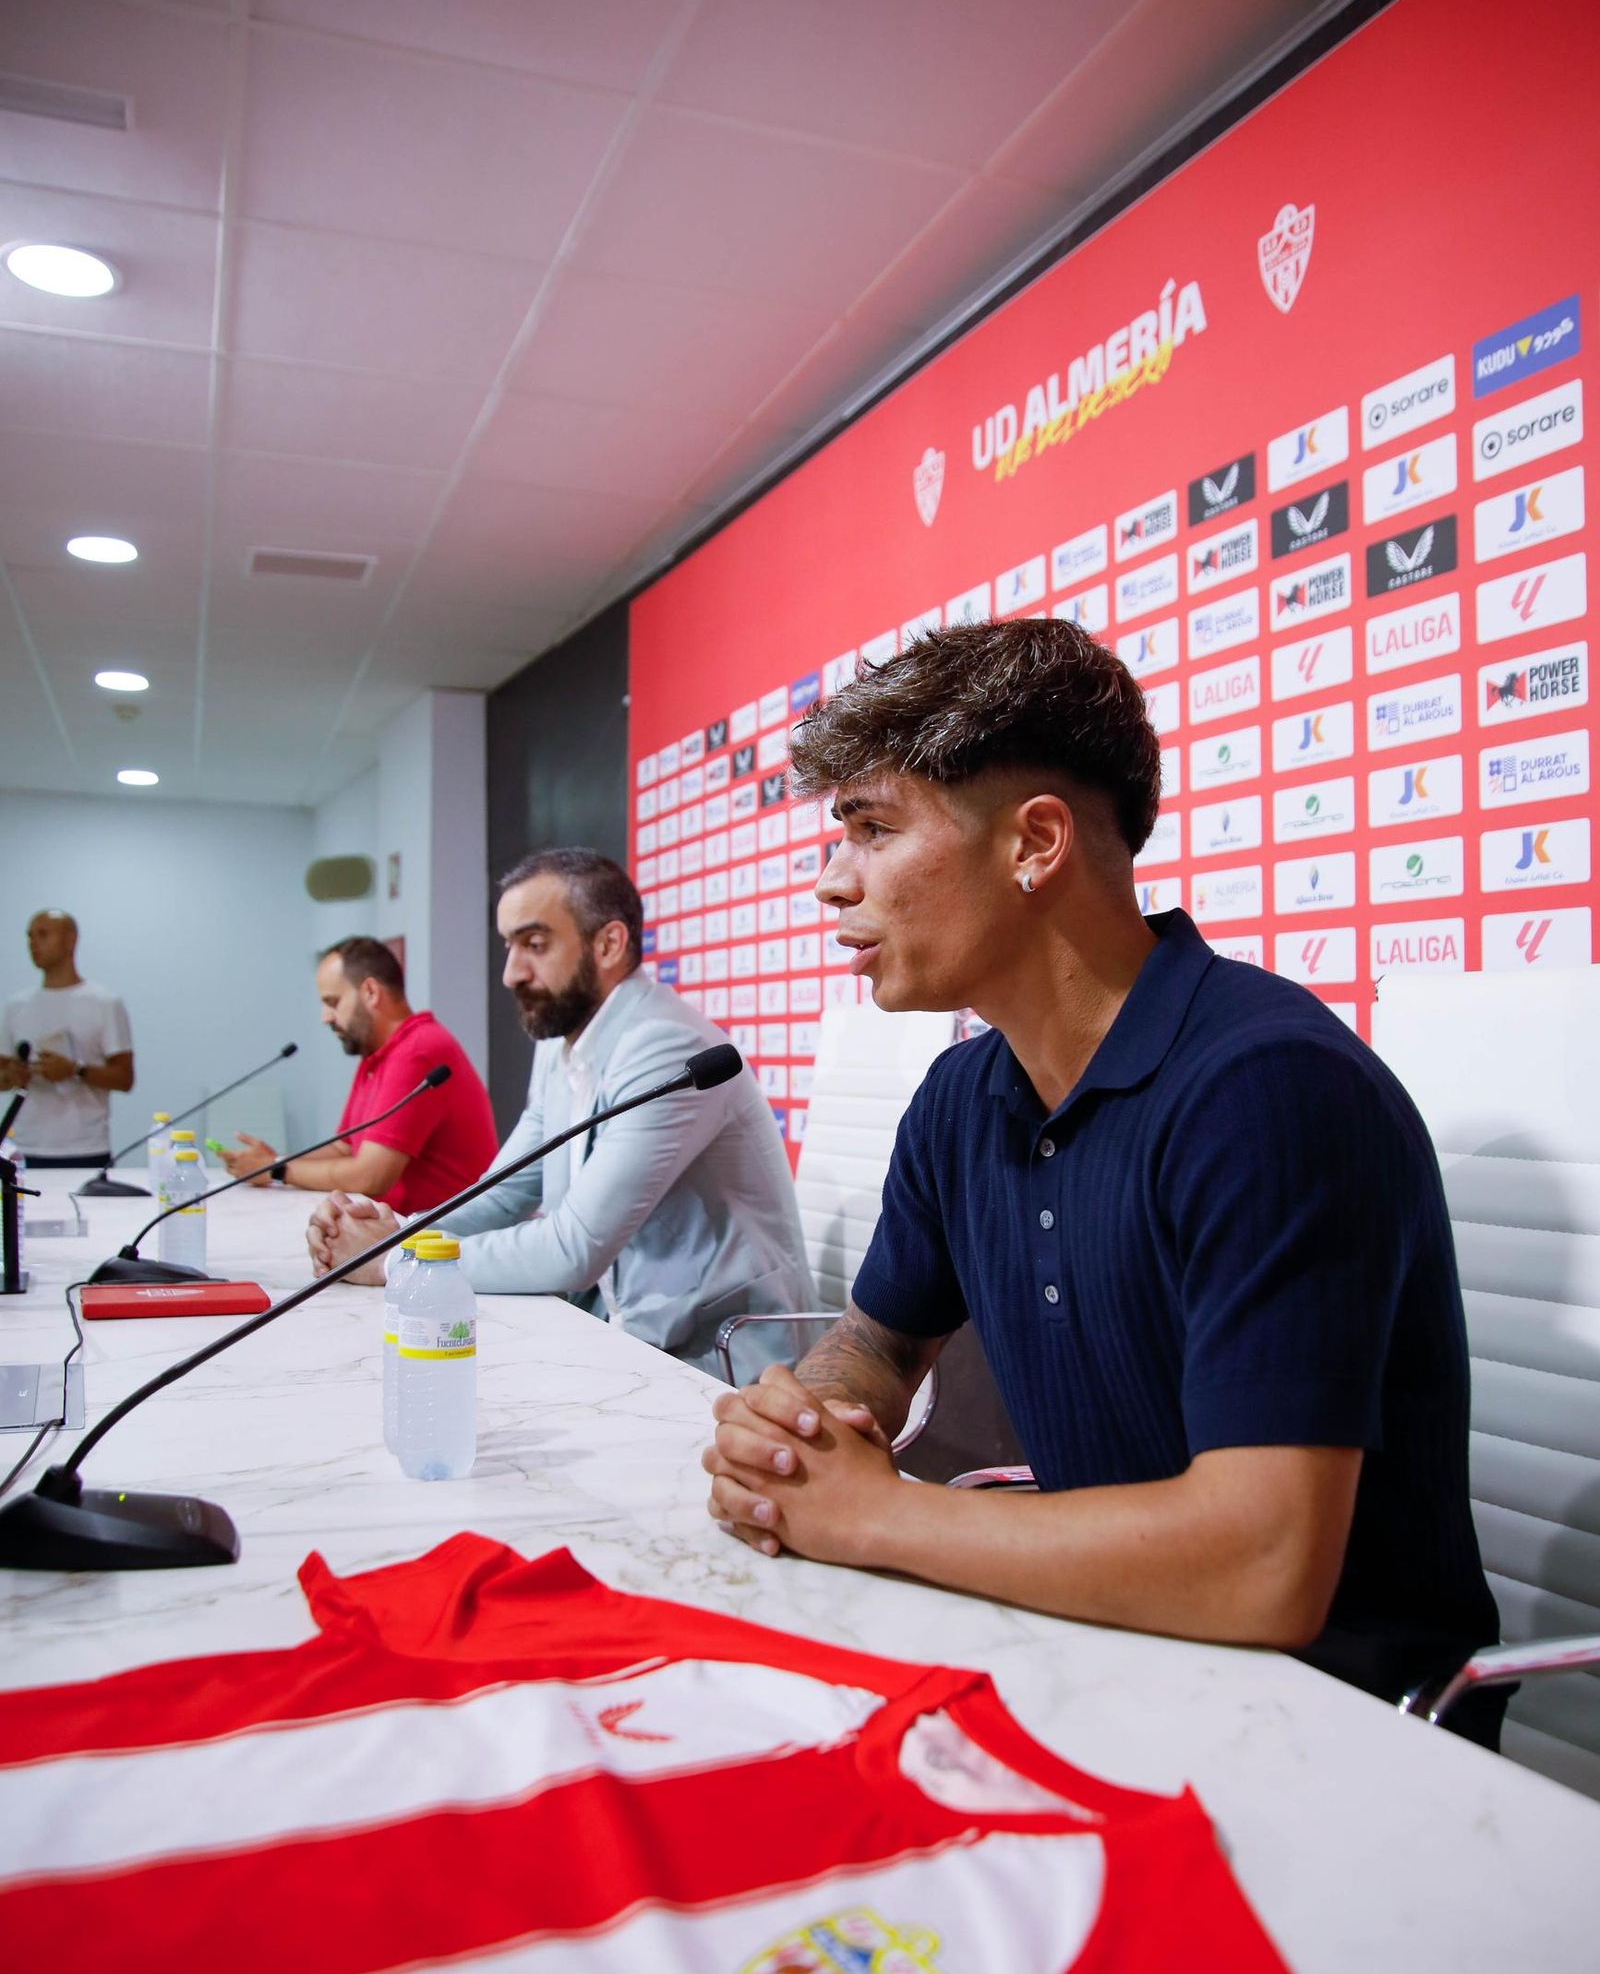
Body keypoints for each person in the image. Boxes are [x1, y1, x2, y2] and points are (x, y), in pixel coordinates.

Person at [704, 618, 1501, 1731]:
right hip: (1103, 1657)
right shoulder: (959, 1097)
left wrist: (872, 1516)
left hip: (1338, 1724)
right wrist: (809, 1428)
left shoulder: (1267, 1091)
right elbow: (883, 1341)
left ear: (1035, 843)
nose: (832, 884)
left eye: (872, 830)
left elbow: (1263, 1566)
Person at [306, 848, 814, 1375]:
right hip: (623, 1338)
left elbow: (575, 1249)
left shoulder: (665, 1047)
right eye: (509, 946)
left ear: (609, 944)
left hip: (718, 1362)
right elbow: (504, 1192)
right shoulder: (560, 1044)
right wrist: (395, 1232)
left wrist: (394, 1262)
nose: (510, 973)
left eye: (535, 944)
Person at [223, 936, 496, 1207]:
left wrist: (274, 1169)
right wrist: (274, 1161)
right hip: (405, 1229)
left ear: (370, 992)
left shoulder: (418, 1050)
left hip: (444, 1240)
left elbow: (372, 1176)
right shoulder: (376, 1054)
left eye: (333, 1002)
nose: (325, 1017)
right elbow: (344, 1148)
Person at [0, 910, 134, 1166]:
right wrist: (12, 1076)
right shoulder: (16, 1006)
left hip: (86, 1148)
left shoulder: (104, 1003)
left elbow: (125, 1078)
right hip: (24, 1148)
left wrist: (75, 1069)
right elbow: (1, 1075)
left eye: (43, 934)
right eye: (29, 936)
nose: (33, 943)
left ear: (70, 940)